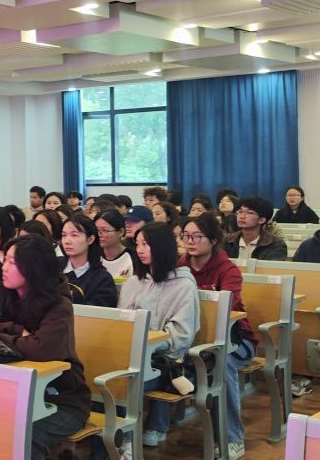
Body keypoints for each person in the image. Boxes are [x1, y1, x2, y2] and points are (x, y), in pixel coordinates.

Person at [0, 234, 90, 460]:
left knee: (25, 437)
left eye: (12, 263)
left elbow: (42, 350)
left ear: (33, 268)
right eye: (5, 260)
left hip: (61, 400)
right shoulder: (1, 295)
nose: (4, 268)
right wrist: (15, 329)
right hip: (10, 397)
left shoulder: (58, 305)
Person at [181, 213, 258, 459]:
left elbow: (226, 308)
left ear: (213, 240)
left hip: (235, 340)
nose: (190, 241)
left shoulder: (228, 269)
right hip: (193, 340)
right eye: (186, 235)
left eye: (197, 236)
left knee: (223, 366)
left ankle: (232, 438)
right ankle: (157, 427)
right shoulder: (180, 266)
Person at [119, 222, 199, 450]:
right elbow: (121, 322)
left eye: (146, 244)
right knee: (102, 375)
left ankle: (125, 441)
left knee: (120, 382)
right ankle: (115, 438)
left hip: (165, 361)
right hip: (130, 356)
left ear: (162, 246)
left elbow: (181, 335)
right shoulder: (134, 282)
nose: (140, 250)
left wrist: (147, 343)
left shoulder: (183, 285)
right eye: (137, 244)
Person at [59, 215, 116, 307]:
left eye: (74, 235)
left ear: (90, 239)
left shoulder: (102, 279)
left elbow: (98, 312)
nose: (67, 241)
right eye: (64, 235)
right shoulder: (52, 267)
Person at [221, 197, 287, 261]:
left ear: (261, 220)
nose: (242, 216)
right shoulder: (226, 242)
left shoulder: (276, 245)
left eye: (250, 213)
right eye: (240, 212)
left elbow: (269, 268)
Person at [92, 210, 135, 279]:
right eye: (96, 230)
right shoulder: (91, 255)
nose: (99, 235)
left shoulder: (134, 257)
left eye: (105, 230)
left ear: (120, 232)